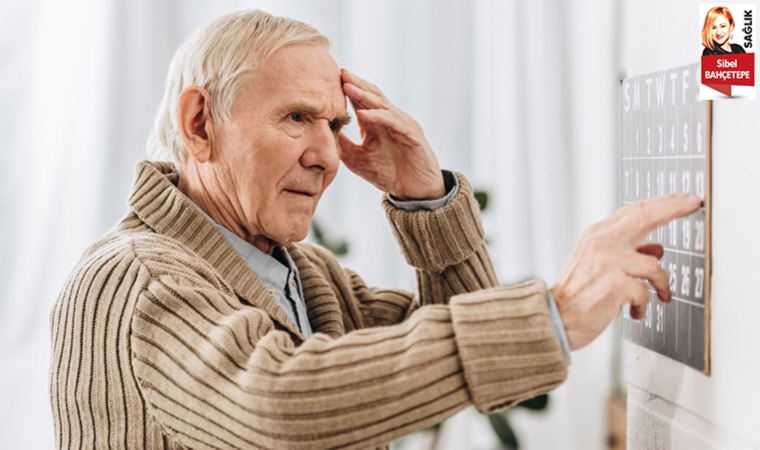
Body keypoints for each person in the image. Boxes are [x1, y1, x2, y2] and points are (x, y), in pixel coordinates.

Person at [49, 9, 701, 450]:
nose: (329, 156)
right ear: (199, 124)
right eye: (298, 117)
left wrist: (427, 200)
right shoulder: (131, 278)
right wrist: (554, 314)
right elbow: (277, 404)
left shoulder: (305, 275)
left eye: (334, 125)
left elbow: (490, 368)